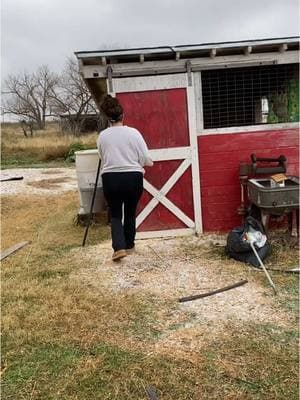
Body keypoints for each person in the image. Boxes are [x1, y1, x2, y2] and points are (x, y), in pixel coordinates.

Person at [97, 95, 153, 261]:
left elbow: (102, 156)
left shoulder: (102, 136)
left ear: (108, 118)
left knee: (115, 214)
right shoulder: (134, 133)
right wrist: (145, 163)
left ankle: (118, 248)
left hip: (110, 178)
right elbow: (144, 157)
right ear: (123, 115)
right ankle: (129, 245)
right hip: (132, 177)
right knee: (129, 212)